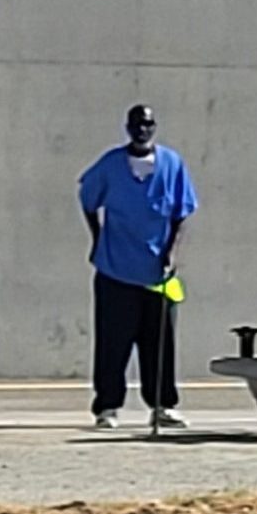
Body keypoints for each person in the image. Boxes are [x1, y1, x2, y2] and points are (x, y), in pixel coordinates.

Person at [79, 104, 198, 429]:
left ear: (154, 127)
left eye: (147, 124)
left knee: (159, 341)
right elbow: (88, 199)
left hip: (158, 275)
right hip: (115, 270)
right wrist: (98, 238)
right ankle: (107, 407)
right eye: (136, 124)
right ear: (127, 128)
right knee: (112, 343)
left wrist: (172, 254)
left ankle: (163, 405)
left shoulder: (172, 165)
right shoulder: (110, 165)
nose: (142, 130)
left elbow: (182, 213)